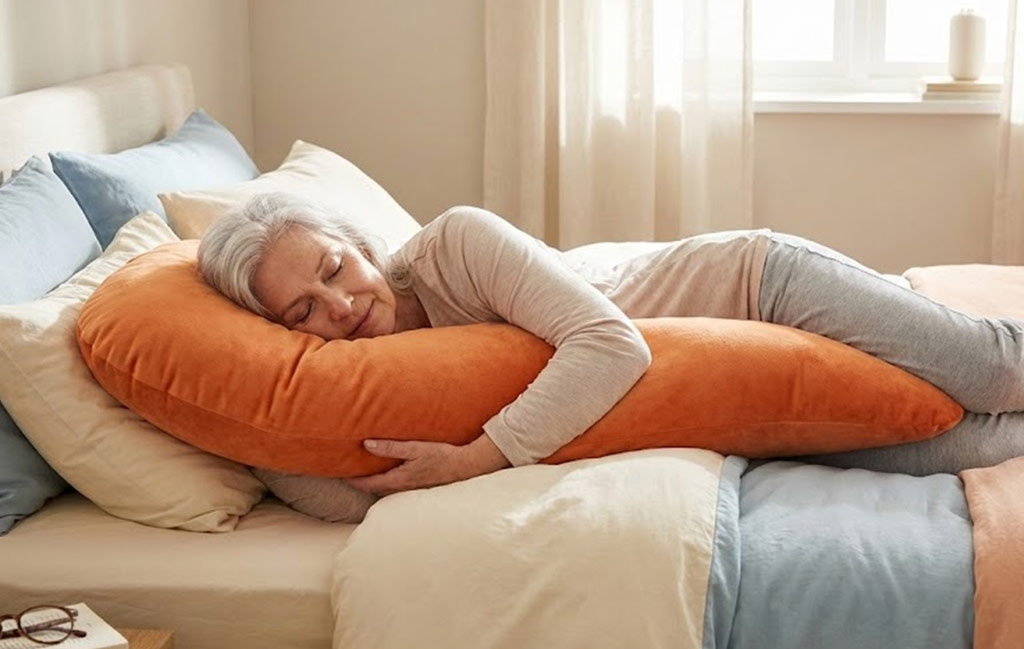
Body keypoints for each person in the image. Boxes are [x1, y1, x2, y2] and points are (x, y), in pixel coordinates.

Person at [198, 192, 1024, 496]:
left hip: (758, 285)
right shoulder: (360, 379)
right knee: (947, 445)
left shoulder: (455, 244)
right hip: (726, 395)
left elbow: (611, 346)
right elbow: (331, 487)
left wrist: (478, 458)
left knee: (987, 365)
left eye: (338, 269)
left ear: (366, 247)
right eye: (302, 311)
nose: (339, 305)